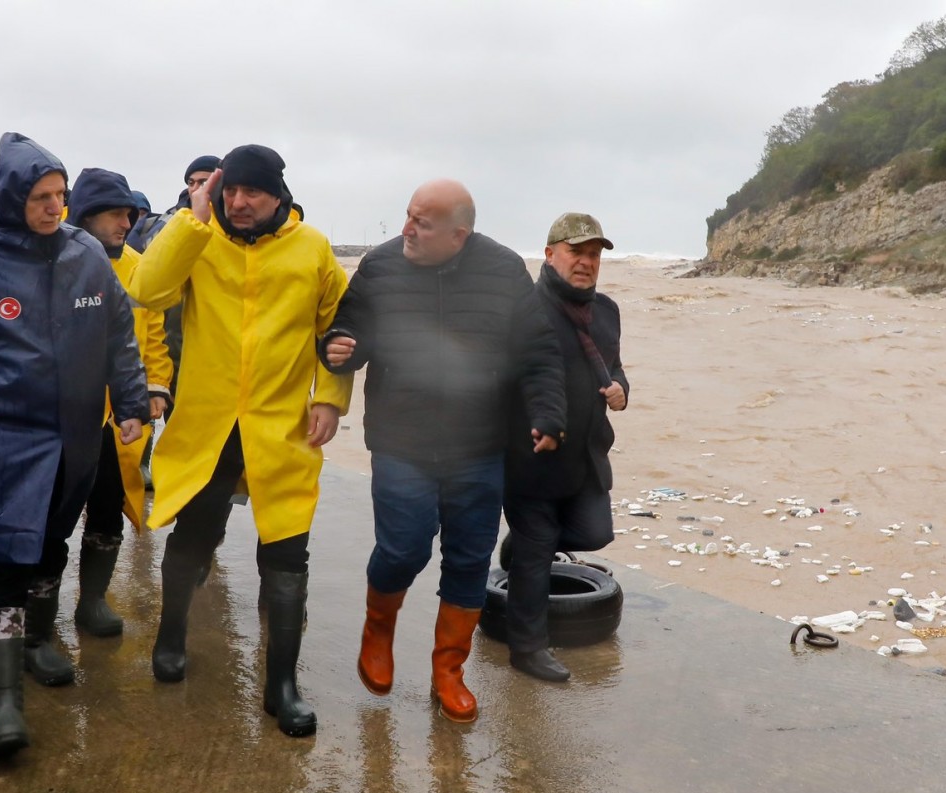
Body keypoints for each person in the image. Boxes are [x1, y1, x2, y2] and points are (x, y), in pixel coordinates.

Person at [0, 133, 148, 758]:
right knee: (4, 563)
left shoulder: (86, 254)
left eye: (61, 195)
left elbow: (119, 330)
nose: (55, 207)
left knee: (47, 548)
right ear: (12, 197)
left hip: (72, 437)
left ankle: (40, 640)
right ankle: (3, 703)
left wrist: (130, 400)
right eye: (42, 196)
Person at [319, 179, 565, 723]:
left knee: (470, 559)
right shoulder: (381, 266)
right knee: (403, 548)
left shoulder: (502, 271)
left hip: (479, 446)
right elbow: (347, 330)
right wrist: (337, 348)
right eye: (407, 216)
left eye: (420, 223)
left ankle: (448, 670)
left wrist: (549, 415)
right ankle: (378, 630)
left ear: (459, 234)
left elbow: (539, 352)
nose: (405, 229)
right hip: (401, 441)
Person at [129, 144, 350, 738]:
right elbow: (147, 290)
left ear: (278, 194)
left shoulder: (314, 249)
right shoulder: (200, 239)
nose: (238, 201)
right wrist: (190, 222)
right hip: (210, 425)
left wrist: (330, 396)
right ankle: (171, 635)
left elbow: (336, 326)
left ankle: (282, 683)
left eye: (251, 191)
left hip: (281, 427)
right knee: (194, 537)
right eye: (230, 190)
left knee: (285, 555)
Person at [502, 213, 628, 681]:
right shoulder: (526, 309)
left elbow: (616, 368)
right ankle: (527, 648)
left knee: (594, 534)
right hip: (531, 453)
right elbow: (510, 377)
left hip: (587, 457)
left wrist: (620, 388)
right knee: (537, 552)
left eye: (594, 255)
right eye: (577, 252)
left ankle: (519, 544)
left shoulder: (608, 311)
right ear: (550, 253)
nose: (586, 263)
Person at [62, 167, 173, 636]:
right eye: (113, 214)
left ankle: (92, 601)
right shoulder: (53, 259)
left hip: (117, 417)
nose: (125, 223)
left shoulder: (140, 268)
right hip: (60, 416)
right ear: (85, 215)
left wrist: (154, 389)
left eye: (128, 214)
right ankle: (38, 610)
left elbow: (154, 341)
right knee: (51, 516)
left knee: (107, 509)